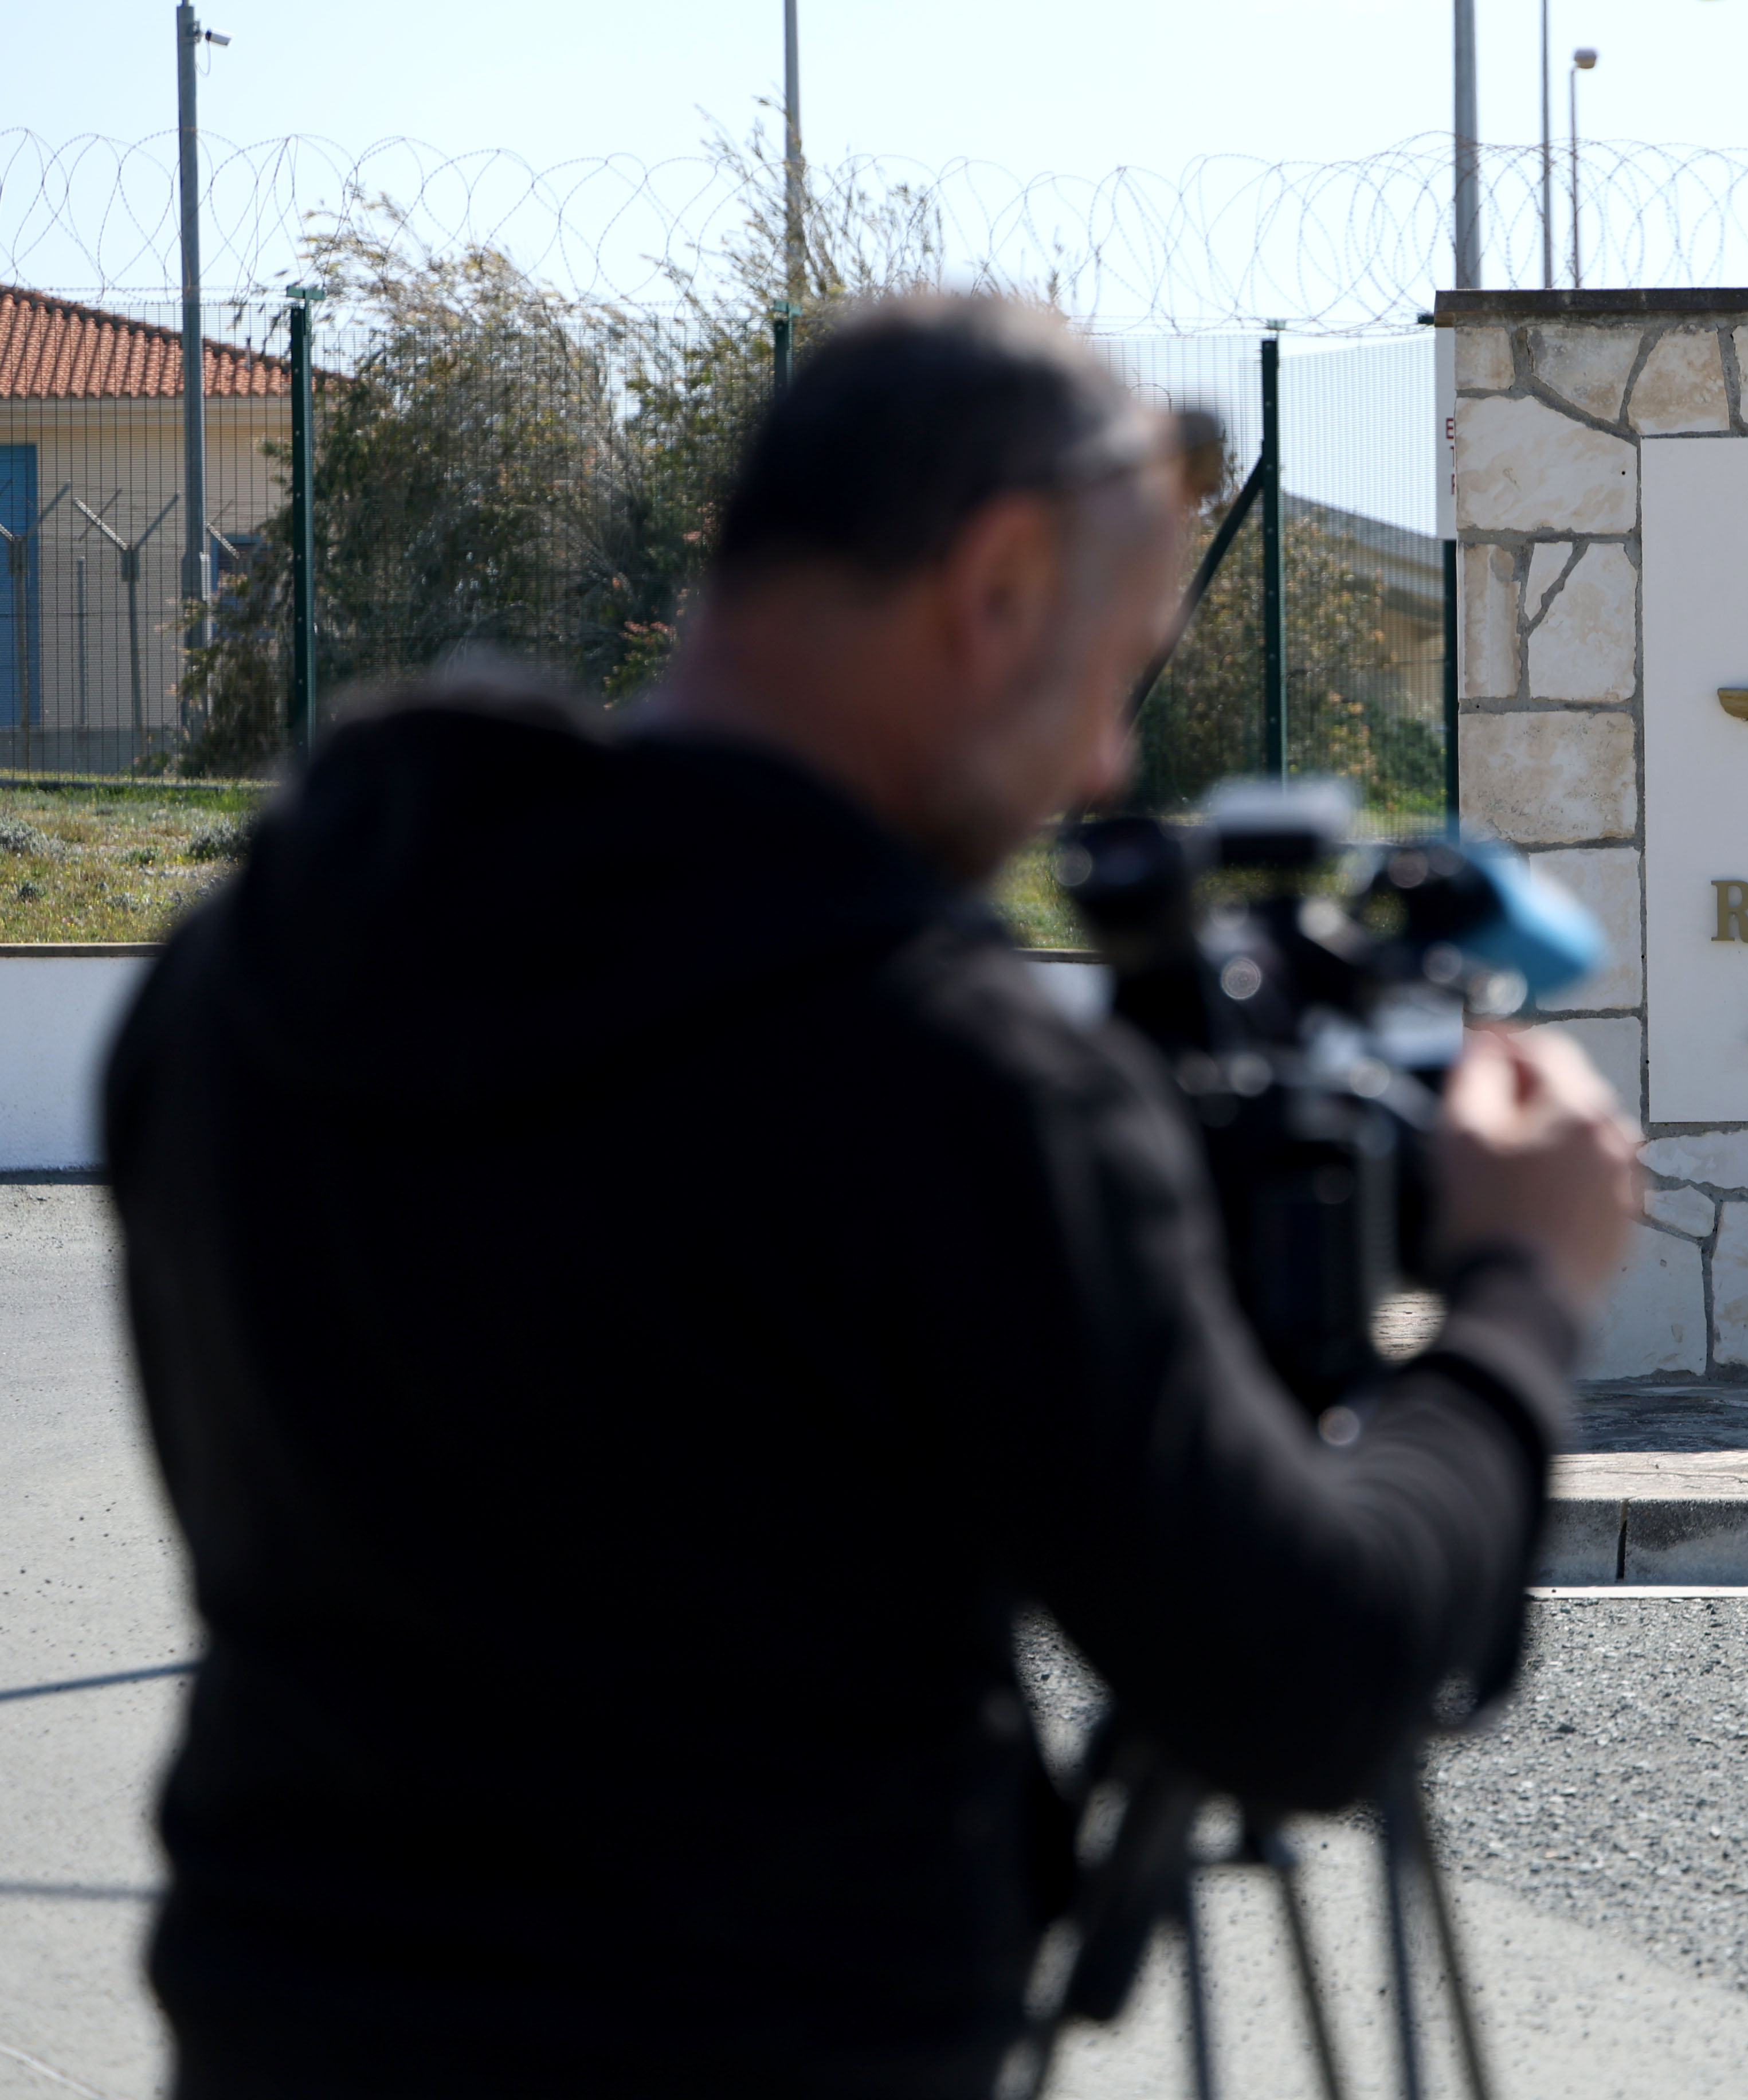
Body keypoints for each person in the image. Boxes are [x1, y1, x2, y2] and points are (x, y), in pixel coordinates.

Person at [102, 296, 1642, 2098]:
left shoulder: (247, 979)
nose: (1103, 774)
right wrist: (1520, 1283)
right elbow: (1310, 1675)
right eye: (1113, 673)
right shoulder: (941, 1075)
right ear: (995, 587)